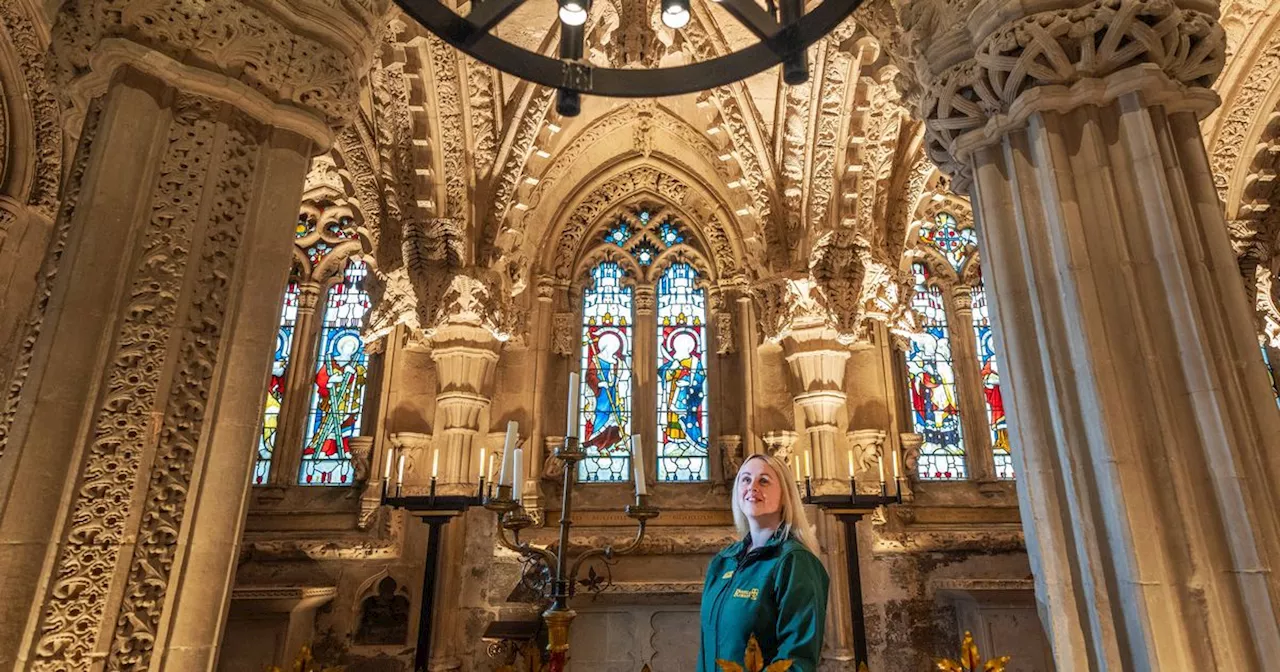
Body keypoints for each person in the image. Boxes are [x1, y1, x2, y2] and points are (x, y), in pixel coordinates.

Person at [699, 453, 830, 672]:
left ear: (785, 494)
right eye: (746, 479)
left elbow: (797, 660)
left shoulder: (794, 562)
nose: (752, 487)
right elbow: (706, 651)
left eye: (764, 481)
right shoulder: (723, 562)